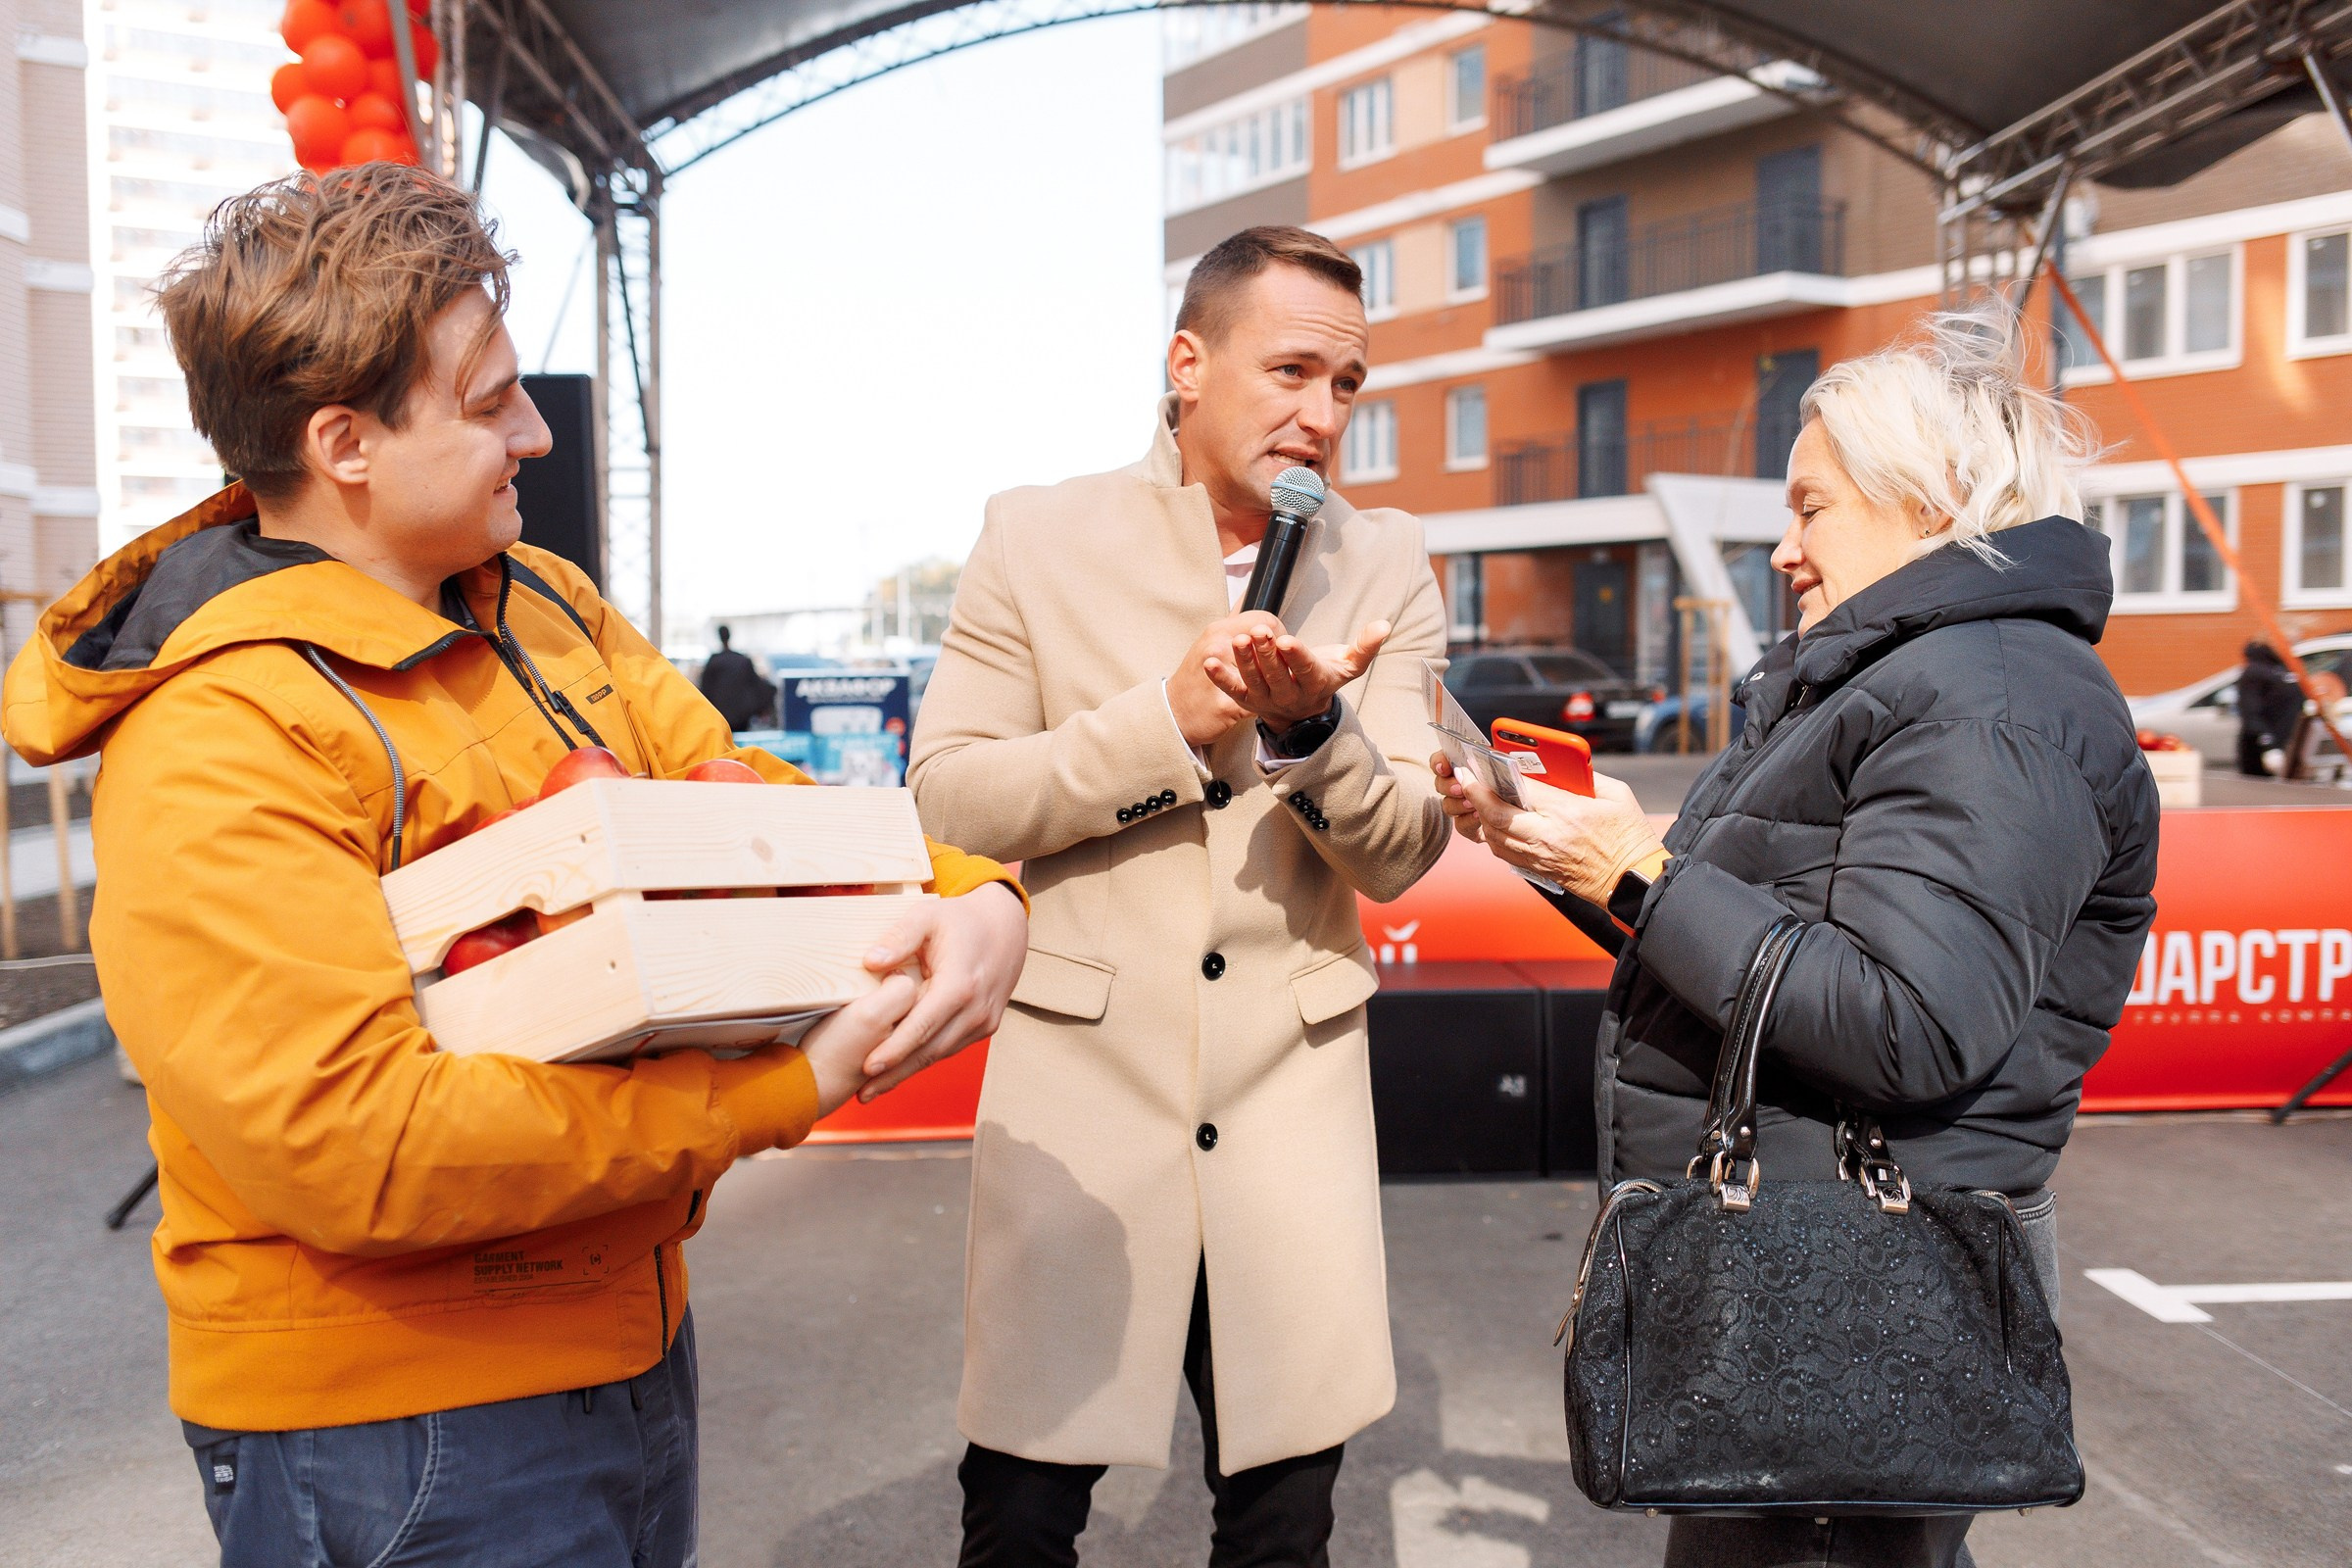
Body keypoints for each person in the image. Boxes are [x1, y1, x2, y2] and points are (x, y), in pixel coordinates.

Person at [0, 166, 1028, 1566]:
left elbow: (738, 793)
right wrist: (791, 1085)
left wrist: (970, 884)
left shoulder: (543, 605)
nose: (537, 434)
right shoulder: (218, 728)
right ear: (345, 441)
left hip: (626, 1342)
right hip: (393, 1426)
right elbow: (355, 1147)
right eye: (490, 402)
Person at [1439, 307, 2158, 1568]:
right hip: (1819, 1276)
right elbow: (1766, 924)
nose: (1783, 548)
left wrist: (1638, 870)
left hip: (1849, 1293)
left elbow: (1906, 1022)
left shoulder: (1989, 698)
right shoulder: (1927, 677)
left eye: (1810, 507)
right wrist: (1576, 857)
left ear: (1929, 500)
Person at [909, 224, 1451, 1566]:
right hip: (1086, 1099)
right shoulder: (1033, 538)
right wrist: (1167, 720)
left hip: (1291, 1100)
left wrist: (1312, 739)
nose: (1320, 416)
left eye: (1347, 388)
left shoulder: (1387, 564)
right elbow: (957, 797)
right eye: (1290, 372)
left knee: (1283, 1529)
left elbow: (1403, 850)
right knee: (1021, 1519)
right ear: (1187, 363)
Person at [2234, 639, 2301, 775]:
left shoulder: (2285, 669)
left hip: (2286, 742)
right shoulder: (2256, 672)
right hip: (2263, 749)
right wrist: (2268, 746)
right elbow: (2251, 712)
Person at [699, 622, 776, 731]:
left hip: (720, 716)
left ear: (719, 637)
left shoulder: (713, 662)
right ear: (730, 635)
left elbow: (705, 690)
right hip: (742, 716)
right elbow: (757, 686)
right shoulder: (743, 661)